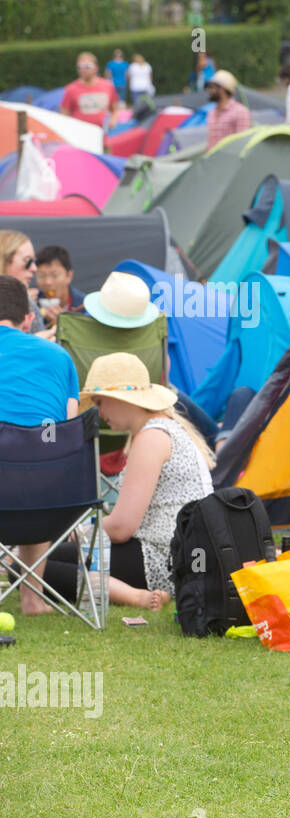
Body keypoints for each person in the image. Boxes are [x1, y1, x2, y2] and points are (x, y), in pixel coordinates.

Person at [40, 353, 214, 611]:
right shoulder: (167, 428)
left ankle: (137, 596)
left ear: (121, 399)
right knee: (41, 560)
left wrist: (77, 534)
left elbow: (122, 528)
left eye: (100, 403)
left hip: (160, 557)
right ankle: (136, 593)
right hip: (182, 555)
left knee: (36, 567)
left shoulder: (151, 438)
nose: (98, 414)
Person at [0, 275, 80, 615]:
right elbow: (69, 433)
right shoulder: (59, 357)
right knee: (41, 459)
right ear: (29, 320)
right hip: (48, 501)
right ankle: (31, 599)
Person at [34, 246, 85, 338]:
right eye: (41, 276)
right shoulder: (32, 303)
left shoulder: (84, 306)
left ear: (69, 275)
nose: (48, 282)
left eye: (54, 275)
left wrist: (64, 324)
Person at [60, 52, 118, 127]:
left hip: (102, 133)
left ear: (96, 68)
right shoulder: (70, 89)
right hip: (80, 134)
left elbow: (114, 110)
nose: (83, 69)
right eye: (80, 66)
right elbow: (64, 116)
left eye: (87, 66)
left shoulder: (108, 86)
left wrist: (113, 120)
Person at [205, 70, 251, 149]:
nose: (209, 91)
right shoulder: (211, 113)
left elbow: (243, 144)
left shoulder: (240, 112)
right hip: (213, 160)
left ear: (222, 89)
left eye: (211, 87)